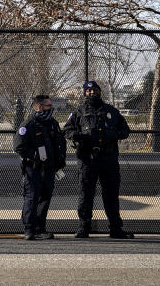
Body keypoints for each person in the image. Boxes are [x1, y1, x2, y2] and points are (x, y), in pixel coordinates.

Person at [62, 80, 134, 239]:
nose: (91, 93)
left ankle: (115, 228)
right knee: (85, 194)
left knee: (111, 194)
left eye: (94, 90)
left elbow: (125, 130)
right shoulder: (79, 112)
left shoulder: (111, 111)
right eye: (88, 91)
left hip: (108, 159)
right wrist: (77, 136)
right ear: (84, 94)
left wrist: (113, 134)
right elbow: (67, 130)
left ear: (100, 92)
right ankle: (83, 227)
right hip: (88, 159)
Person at [14, 94, 66, 240]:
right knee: (32, 197)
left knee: (45, 197)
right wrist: (36, 155)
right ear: (39, 107)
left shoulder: (52, 123)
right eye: (48, 106)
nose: (51, 108)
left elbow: (60, 143)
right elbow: (18, 146)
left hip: (49, 168)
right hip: (33, 168)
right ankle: (29, 229)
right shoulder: (28, 125)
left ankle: (40, 228)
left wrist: (60, 161)